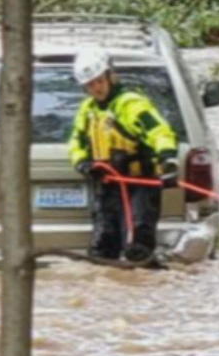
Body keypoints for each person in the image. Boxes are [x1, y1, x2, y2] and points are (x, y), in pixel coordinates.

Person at [68, 47, 179, 262]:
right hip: (108, 186)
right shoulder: (88, 110)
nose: (96, 88)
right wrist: (82, 162)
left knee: (138, 246)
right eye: (90, 84)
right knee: (103, 248)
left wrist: (168, 159)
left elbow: (159, 131)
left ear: (110, 76)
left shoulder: (130, 105)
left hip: (140, 185)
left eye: (99, 81)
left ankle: (145, 283)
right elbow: (76, 142)